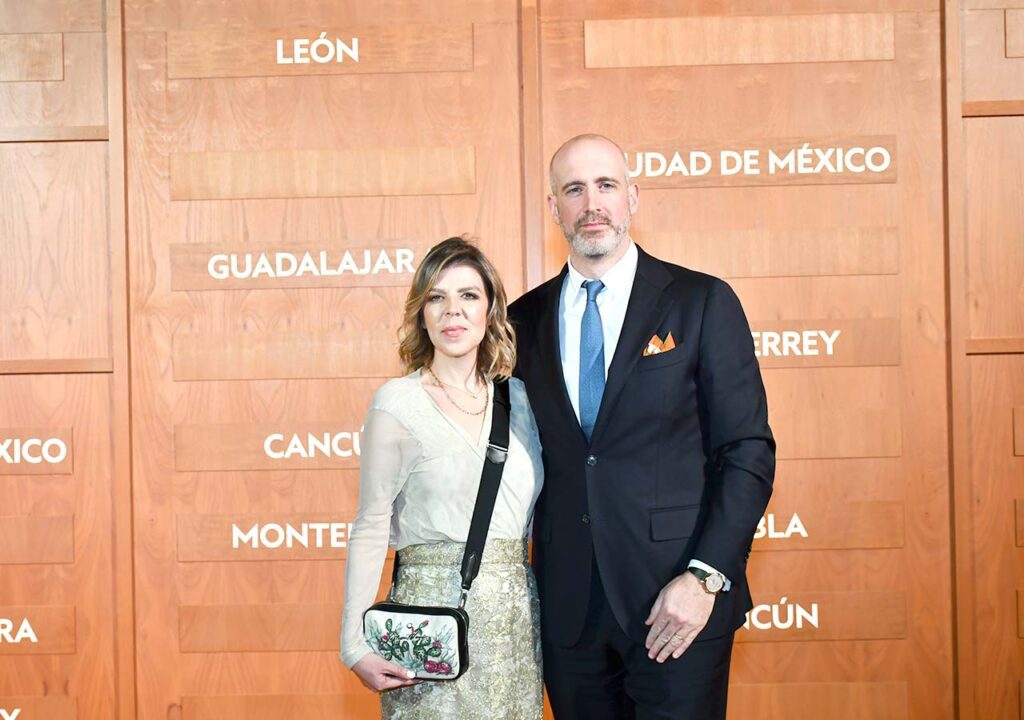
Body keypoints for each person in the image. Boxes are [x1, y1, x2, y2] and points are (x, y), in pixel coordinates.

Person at [509, 134, 775, 719]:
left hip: (677, 604)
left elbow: (747, 452)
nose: (592, 204)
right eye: (574, 189)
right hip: (568, 615)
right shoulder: (521, 321)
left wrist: (705, 579)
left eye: (605, 185)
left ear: (632, 197)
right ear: (553, 208)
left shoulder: (701, 301)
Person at [340, 236, 545, 719]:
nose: (453, 310)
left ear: (490, 309)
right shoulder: (398, 403)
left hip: (514, 630)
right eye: (437, 297)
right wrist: (353, 643)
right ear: (422, 313)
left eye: (468, 295)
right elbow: (371, 523)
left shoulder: (521, 400)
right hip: (429, 629)